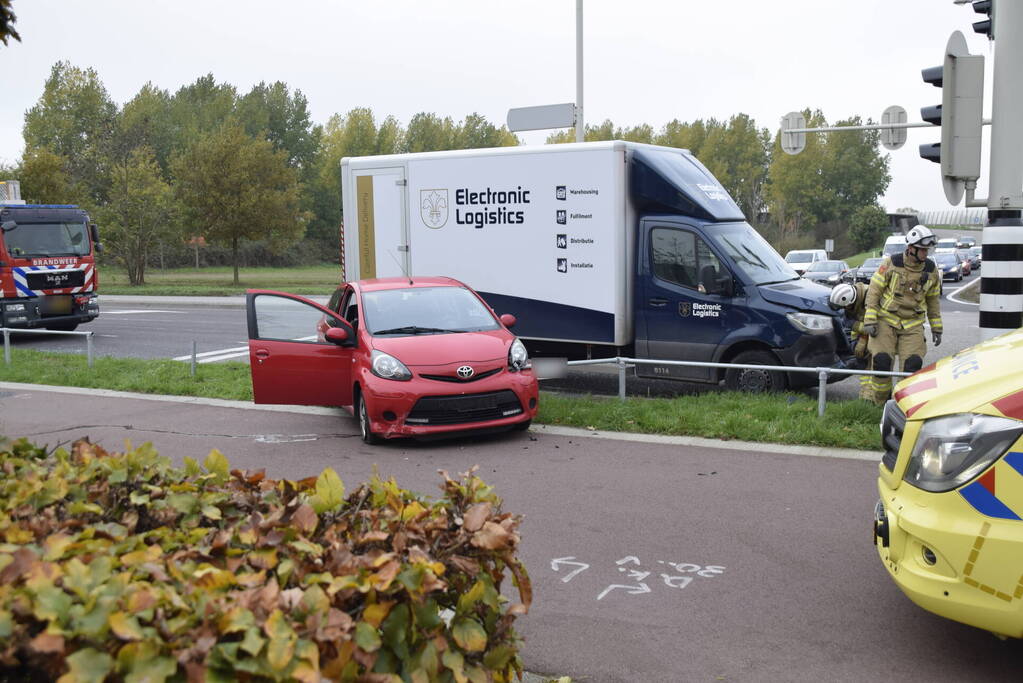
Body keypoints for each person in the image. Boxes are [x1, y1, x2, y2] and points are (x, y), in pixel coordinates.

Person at [862, 226, 943, 404]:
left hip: (913, 324)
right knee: (882, 362)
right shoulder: (891, 263)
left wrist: (937, 328)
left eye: (926, 250)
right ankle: (881, 404)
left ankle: (901, 406)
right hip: (885, 321)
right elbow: (874, 291)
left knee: (912, 365)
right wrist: (870, 319)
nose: (925, 253)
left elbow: (933, 300)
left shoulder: (931, 270)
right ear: (911, 248)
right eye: (922, 249)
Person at [828, 282, 872, 400]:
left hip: (877, 336)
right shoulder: (852, 300)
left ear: (850, 303)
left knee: (877, 365)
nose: (844, 310)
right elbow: (846, 321)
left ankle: (874, 397)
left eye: (844, 307)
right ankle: (866, 394)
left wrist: (863, 339)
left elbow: (874, 327)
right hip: (860, 335)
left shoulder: (871, 297)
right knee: (861, 361)